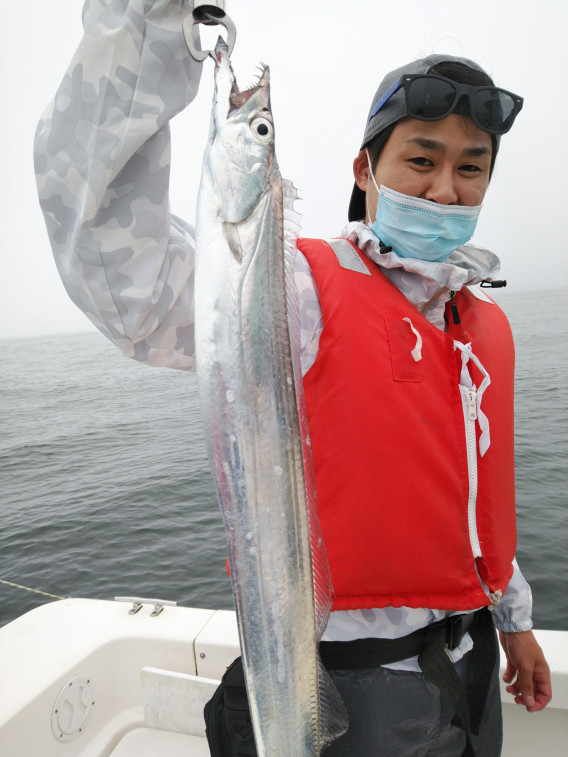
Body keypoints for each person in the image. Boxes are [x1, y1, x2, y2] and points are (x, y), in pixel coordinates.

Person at [34, 1, 551, 755]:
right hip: (343, 687)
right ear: (365, 168)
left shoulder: (478, 325)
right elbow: (126, 276)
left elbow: (472, 498)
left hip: (469, 676)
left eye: (471, 167)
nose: (445, 187)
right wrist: (143, 29)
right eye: (421, 158)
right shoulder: (292, 289)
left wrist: (514, 621)